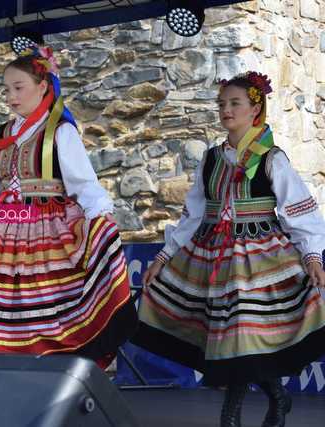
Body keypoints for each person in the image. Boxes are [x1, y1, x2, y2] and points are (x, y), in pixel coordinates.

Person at [133, 71, 325, 427]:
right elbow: (193, 214)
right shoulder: (211, 159)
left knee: (241, 336)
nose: (226, 109)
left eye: (235, 103)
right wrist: (162, 257)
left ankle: (230, 416)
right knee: (236, 338)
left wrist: (312, 256)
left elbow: (300, 210)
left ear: (255, 108)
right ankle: (277, 396)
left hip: (260, 259)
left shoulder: (272, 159)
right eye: (222, 103)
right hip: (214, 257)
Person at [0, 35, 137, 367]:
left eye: (18, 87)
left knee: (43, 308)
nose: (11, 96)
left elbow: (83, 182)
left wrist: (99, 217)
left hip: (48, 229)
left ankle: (46, 379)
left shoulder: (60, 131)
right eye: (6, 89)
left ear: (42, 86)